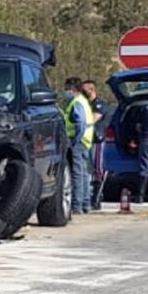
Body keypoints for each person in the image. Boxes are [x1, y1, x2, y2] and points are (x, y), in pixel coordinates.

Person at [62, 77, 95, 215]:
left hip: (78, 142)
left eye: (66, 89)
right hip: (86, 141)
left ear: (72, 89)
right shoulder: (84, 101)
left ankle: (76, 205)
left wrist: (75, 139)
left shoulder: (76, 102)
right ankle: (86, 203)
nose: (64, 92)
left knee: (77, 174)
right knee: (83, 174)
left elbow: (80, 122)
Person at [82, 80, 108, 210]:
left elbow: (92, 119)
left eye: (85, 90)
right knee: (85, 170)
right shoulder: (85, 104)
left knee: (97, 168)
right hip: (85, 141)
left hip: (96, 140)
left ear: (92, 90)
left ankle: (96, 198)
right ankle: (87, 196)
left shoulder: (99, 104)